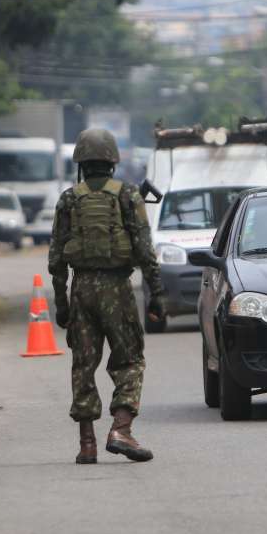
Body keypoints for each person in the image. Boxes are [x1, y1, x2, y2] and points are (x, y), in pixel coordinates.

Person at [49, 128, 166, 464]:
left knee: (83, 365)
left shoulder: (69, 199)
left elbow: (56, 258)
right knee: (129, 360)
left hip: (82, 289)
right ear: (113, 161)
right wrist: (156, 293)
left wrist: (62, 304)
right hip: (117, 288)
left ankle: (87, 444)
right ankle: (121, 429)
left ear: (81, 164)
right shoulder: (128, 195)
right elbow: (145, 249)